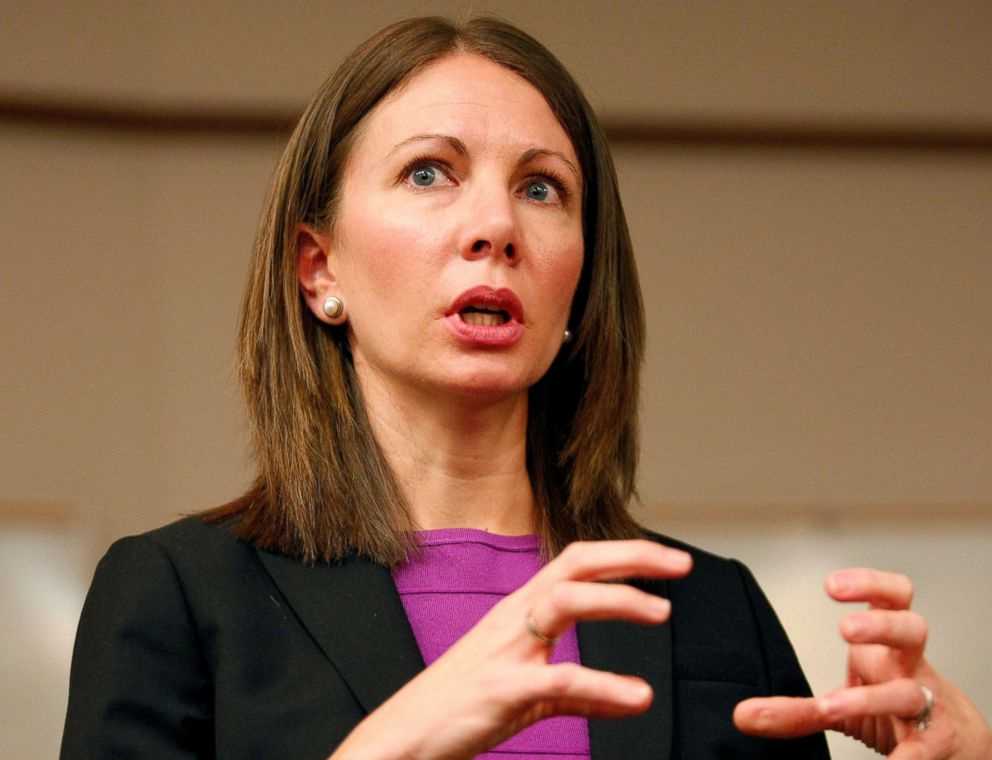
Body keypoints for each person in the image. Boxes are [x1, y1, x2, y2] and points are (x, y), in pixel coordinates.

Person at [61, 15, 991, 760]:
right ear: (319, 270)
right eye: (430, 173)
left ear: (579, 282)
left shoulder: (715, 610)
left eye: (542, 189)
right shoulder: (177, 595)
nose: (496, 226)